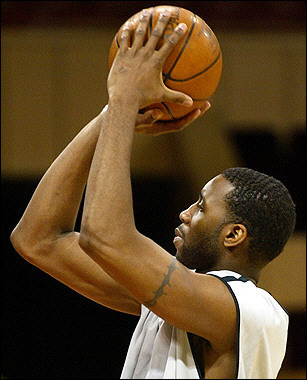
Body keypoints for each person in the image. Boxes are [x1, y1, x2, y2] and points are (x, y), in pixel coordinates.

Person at [10, 9, 296, 379]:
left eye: (201, 206)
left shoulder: (248, 309)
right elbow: (37, 239)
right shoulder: (180, 300)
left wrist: (126, 99)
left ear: (234, 234)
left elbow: (103, 237)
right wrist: (110, 114)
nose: (185, 213)